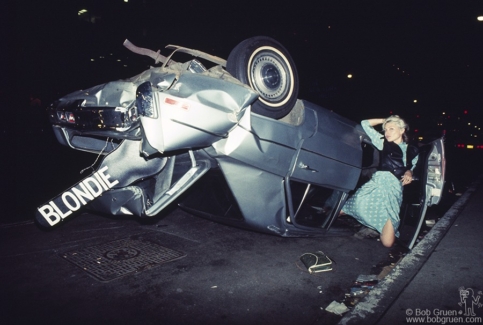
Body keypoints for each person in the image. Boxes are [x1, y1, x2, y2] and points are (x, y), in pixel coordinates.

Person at [341, 115, 419, 247]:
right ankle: (324, 220)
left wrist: (409, 172)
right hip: (378, 184)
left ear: (402, 130)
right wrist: (385, 120)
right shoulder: (383, 142)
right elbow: (365, 123)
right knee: (353, 204)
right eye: (385, 129)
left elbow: (412, 167)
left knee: (388, 243)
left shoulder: (413, 150)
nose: (387, 133)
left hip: (394, 190)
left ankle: (375, 228)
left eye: (391, 129)